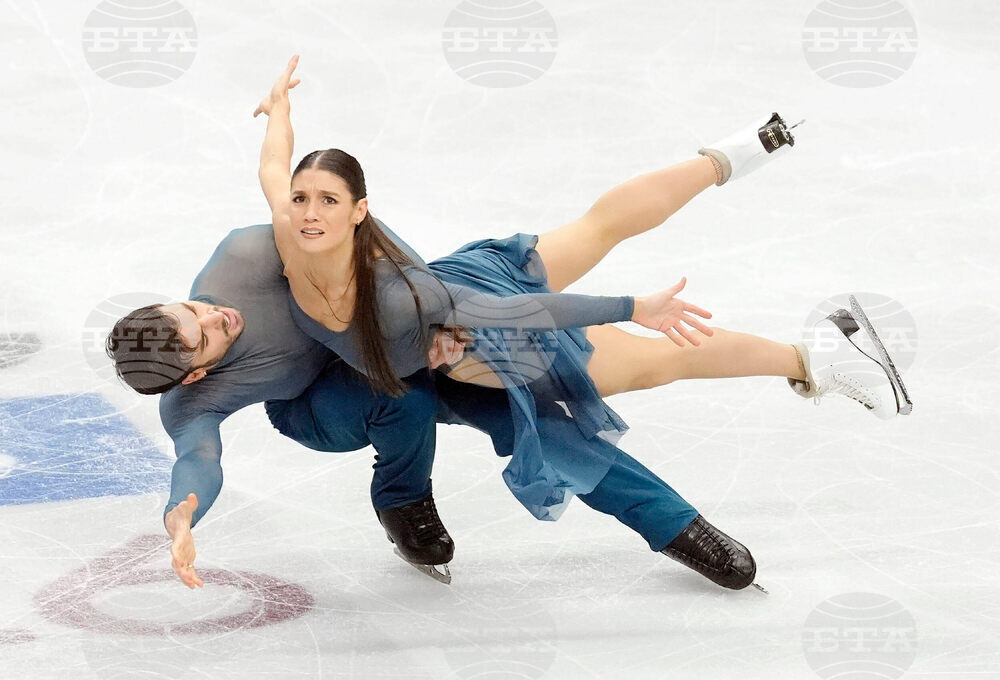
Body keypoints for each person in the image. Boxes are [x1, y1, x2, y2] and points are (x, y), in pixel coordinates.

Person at [254, 57, 910, 588]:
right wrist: (280, 109)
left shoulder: (404, 301)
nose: (309, 212)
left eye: (328, 201)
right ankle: (739, 151)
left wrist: (632, 308)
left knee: (661, 360)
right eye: (303, 199)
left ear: (360, 210)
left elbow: (520, 314)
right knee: (597, 229)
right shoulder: (295, 224)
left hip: (493, 333)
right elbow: (273, 167)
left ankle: (811, 358)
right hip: (470, 278)